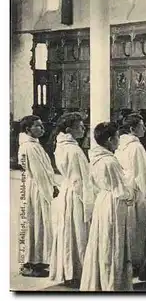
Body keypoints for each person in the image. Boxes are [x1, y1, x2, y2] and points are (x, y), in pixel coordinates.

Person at [80, 122, 134, 291]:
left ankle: (101, 281)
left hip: (102, 200)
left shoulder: (95, 158)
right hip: (113, 203)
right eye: (117, 137)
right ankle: (112, 285)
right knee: (113, 241)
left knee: (103, 240)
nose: (119, 140)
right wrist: (131, 191)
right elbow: (121, 190)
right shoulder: (110, 161)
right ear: (110, 140)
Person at [49, 112, 93, 285]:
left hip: (67, 192)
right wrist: (89, 202)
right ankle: (76, 271)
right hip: (76, 195)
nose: (84, 129)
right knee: (78, 233)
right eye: (80, 126)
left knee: (68, 232)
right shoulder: (73, 150)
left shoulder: (61, 146)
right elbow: (79, 180)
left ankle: (69, 270)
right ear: (69, 130)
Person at [17, 115, 58, 277]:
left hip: (39, 186)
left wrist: (53, 184)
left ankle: (38, 261)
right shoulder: (29, 146)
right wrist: (50, 189)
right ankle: (30, 264)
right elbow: (39, 172)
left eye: (42, 126)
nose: (42, 129)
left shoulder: (34, 144)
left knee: (40, 225)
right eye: (38, 126)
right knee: (35, 224)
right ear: (28, 129)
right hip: (37, 188)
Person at [114, 113, 146, 280]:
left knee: (129, 227)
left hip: (126, 188)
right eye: (141, 126)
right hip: (136, 191)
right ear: (132, 129)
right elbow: (142, 173)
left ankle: (130, 262)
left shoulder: (120, 145)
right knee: (139, 228)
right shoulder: (136, 147)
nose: (144, 128)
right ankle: (138, 263)